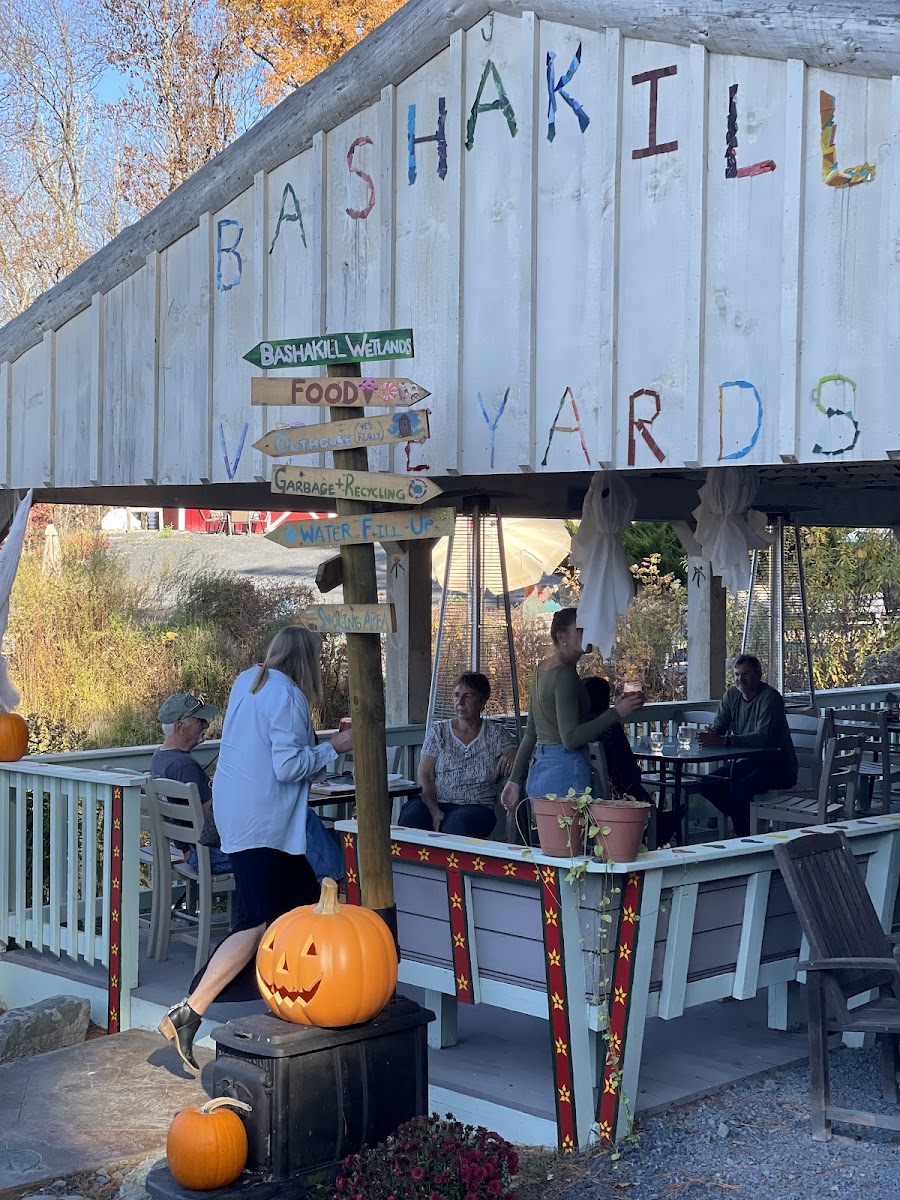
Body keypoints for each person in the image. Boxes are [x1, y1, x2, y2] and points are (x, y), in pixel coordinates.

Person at [158, 626, 353, 1070]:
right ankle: (190, 1010)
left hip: (237, 813)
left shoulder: (246, 681)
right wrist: (334, 746)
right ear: (307, 661)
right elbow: (288, 767)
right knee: (255, 920)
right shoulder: (288, 697)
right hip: (264, 822)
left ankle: (298, 1002)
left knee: (305, 901)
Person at [501, 609, 644, 812]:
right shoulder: (564, 675)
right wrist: (616, 713)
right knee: (572, 843)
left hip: (540, 768)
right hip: (565, 771)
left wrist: (515, 780)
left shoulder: (542, 670)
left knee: (554, 843)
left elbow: (531, 732)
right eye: (580, 629)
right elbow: (570, 738)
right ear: (562, 637)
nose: (588, 633)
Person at [399, 672, 517, 838]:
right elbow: (425, 774)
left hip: (476, 806)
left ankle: (447, 865)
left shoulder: (494, 734)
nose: (460, 702)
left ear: (483, 700)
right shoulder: (438, 732)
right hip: (434, 801)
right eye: (456, 695)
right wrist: (434, 810)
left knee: (456, 827)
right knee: (411, 819)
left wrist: (514, 750)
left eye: (467, 696)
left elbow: (517, 754)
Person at [695, 654, 798, 837]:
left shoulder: (770, 698)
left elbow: (763, 737)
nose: (740, 679)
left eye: (746, 674)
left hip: (777, 765)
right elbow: (720, 726)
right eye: (736, 674)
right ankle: (746, 823)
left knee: (739, 790)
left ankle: (744, 839)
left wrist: (726, 741)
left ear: (759, 675)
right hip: (747, 763)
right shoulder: (732, 695)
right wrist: (710, 735)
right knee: (706, 783)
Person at [151, 693, 231, 874]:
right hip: (206, 855)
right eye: (199, 721)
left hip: (188, 850)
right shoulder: (184, 766)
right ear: (180, 727)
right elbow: (213, 819)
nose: (206, 725)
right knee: (276, 854)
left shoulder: (159, 757)